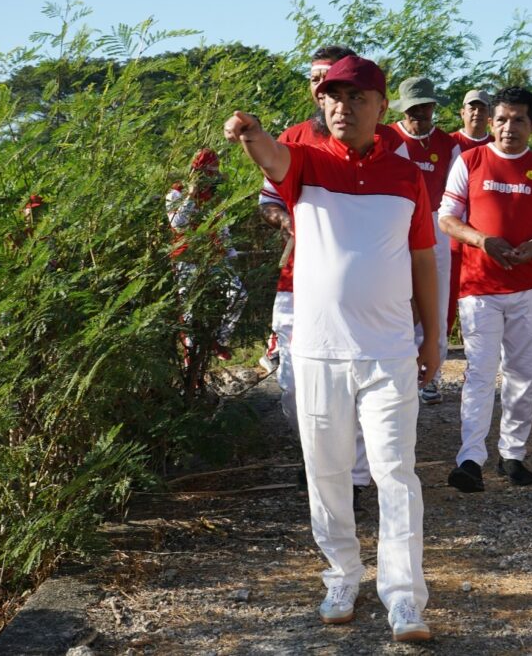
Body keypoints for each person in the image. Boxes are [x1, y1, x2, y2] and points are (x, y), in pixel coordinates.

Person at [224, 55, 438, 642]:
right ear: (322, 102)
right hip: (318, 351)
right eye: (333, 96)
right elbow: (271, 157)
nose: (344, 106)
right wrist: (249, 132)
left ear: (381, 107)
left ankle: (404, 596)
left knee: (397, 473)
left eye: (358, 97)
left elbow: (423, 259)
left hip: (389, 351)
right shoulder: (306, 164)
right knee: (326, 471)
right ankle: (342, 575)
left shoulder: (406, 175)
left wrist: (435, 336)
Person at [257, 45, 372, 502]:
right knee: (294, 388)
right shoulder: (291, 137)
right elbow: (268, 200)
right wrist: (286, 220)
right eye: (314, 78)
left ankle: (355, 480)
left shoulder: (375, 140)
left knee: (357, 381)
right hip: (297, 280)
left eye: (329, 77)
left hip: (357, 288)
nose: (318, 86)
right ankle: (321, 462)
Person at [439, 87, 532, 491]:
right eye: (502, 119)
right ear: (491, 122)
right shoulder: (469, 161)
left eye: (518, 120)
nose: (508, 128)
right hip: (478, 286)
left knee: (522, 373)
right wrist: (483, 241)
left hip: (527, 287)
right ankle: (470, 458)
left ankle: (512, 454)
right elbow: (447, 218)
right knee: (480, 372)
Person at [386, 77, 460, 406]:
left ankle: (432, 375)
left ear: (434, 107)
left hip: (435, 225)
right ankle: (397, 371)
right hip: (394, 223)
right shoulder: (388, 138)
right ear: (403, 109)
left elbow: (456, 193)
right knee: (395, 297)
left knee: (436, 299)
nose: (420, 113)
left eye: (426, 106)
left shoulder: (448, 145)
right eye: (414, 108)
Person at [166, 148, 248, 362]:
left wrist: (230, 252)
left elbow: (222, 228)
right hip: (186, 258)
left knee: (239, 293)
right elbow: (178, 224)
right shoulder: (175, 193)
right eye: (206, 173)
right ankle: (188, 357)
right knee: (189, 309)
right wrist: (191, 196)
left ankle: (220, 340)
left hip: (213, 257)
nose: (210, 178)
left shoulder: (214, 196)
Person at [446, 90, 494, 341]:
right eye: (471, 108)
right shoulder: (448, 143)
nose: (476, 112)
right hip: (451, 235)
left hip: (485, 236)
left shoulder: (499, 145)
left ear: (490, 115)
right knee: (445, 295)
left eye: (482, 108)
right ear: (462, 112)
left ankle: (479, 349)